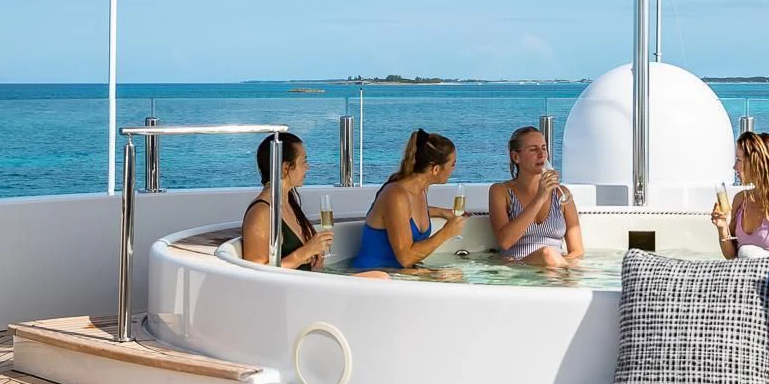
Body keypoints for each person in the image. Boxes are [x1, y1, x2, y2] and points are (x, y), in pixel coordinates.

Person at [348, 129, 466, 270]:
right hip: (372, 277)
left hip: (397, 274)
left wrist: (442, 212)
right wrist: (446, 233)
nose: (454, 168)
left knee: (457, 274)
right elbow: (406, 258)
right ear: (435, 169)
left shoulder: (421, 190)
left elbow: (406, 214)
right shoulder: (395, 195)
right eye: (453, 164)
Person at [489, 125, 584, 266]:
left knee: (550, 255)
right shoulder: (500, 191)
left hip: (556, 269)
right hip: (518, 269)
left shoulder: (561, 193)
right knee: (548, 253)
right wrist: (540, 197)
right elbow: (505, 242)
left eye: (544, 148)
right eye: (533, 149)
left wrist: (559, 263)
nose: (542, 155)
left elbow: (577, 251)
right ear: (516, 157)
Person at [241, 132, 334, 269]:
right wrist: (305, 252)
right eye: (304, 162)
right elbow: (256, 273)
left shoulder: (288, 202)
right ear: (285, 168)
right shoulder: (261, 213)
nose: (307, 167)